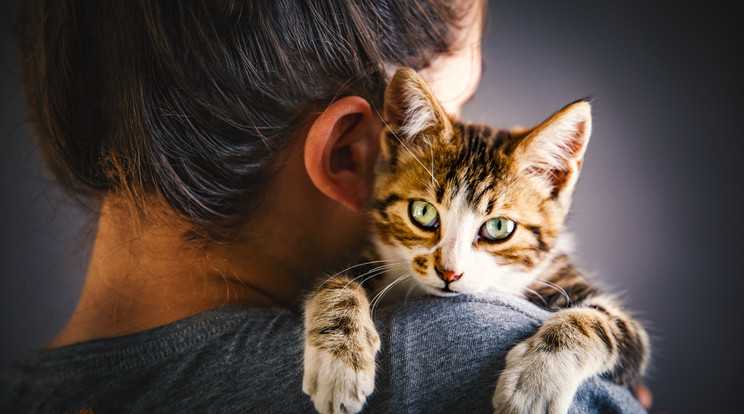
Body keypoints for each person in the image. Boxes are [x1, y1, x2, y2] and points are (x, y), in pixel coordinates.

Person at [1, 0, 648, 412]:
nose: (470, 141)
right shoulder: (460, 358)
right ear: (348, 155)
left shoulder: (19, 388)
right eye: (457, 113)